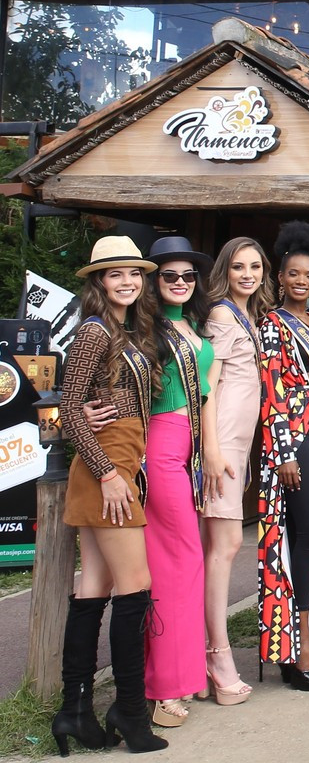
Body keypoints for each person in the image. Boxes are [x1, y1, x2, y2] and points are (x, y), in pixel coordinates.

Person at [52, 236, 167, 755]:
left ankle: (74, 711)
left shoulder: (125, 331)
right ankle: (131, 710)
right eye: (115, 274)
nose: (127, 282)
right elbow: (70, 409)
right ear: (98, 281)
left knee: (95, 587)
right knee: (136, 585)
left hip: (118, 461)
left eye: (134, 274)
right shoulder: (96, 332)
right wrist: (107, 473)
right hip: (107, 467)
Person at [143, 236, 223, 728]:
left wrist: (211, 450)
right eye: (169, 275)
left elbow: (208, 394)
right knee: (176, 563)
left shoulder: (193, 327)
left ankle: (181, 675)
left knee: (185, 562)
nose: (179, 282)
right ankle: (161, 688)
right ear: (155, 281)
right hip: (158, 445)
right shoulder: (145, 331)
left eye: (187, 276)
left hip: (189, 449)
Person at [257, 220, 309, 692]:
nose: (302, 281)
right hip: (292, 436)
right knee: (303, 528)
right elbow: (272, 387)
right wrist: (285, 450)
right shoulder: (272, 325)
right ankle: (299, 638)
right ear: (281, 276)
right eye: (293, 274)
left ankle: (302, 631)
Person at [201, 236, 271, 706]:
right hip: (222, 442)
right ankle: (216, 655)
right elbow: (207, 386)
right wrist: (211, 450)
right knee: (223, 548)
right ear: (225, 270)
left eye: (255, 266)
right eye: (238, 266)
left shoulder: (248, 316)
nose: (248, 274)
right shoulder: (223, 314)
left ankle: (205, 654)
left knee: (221, 548)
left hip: (239, 445)